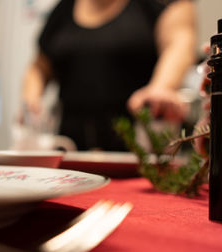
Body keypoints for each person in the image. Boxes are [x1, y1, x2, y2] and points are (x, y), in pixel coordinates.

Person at [22, 0, 196, 151]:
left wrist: (161, 87)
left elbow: (179, 44)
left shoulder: (161, 3)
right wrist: (31, 103)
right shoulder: (63, 9)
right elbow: (39, 67)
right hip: (71, 155)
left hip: (138, 152)